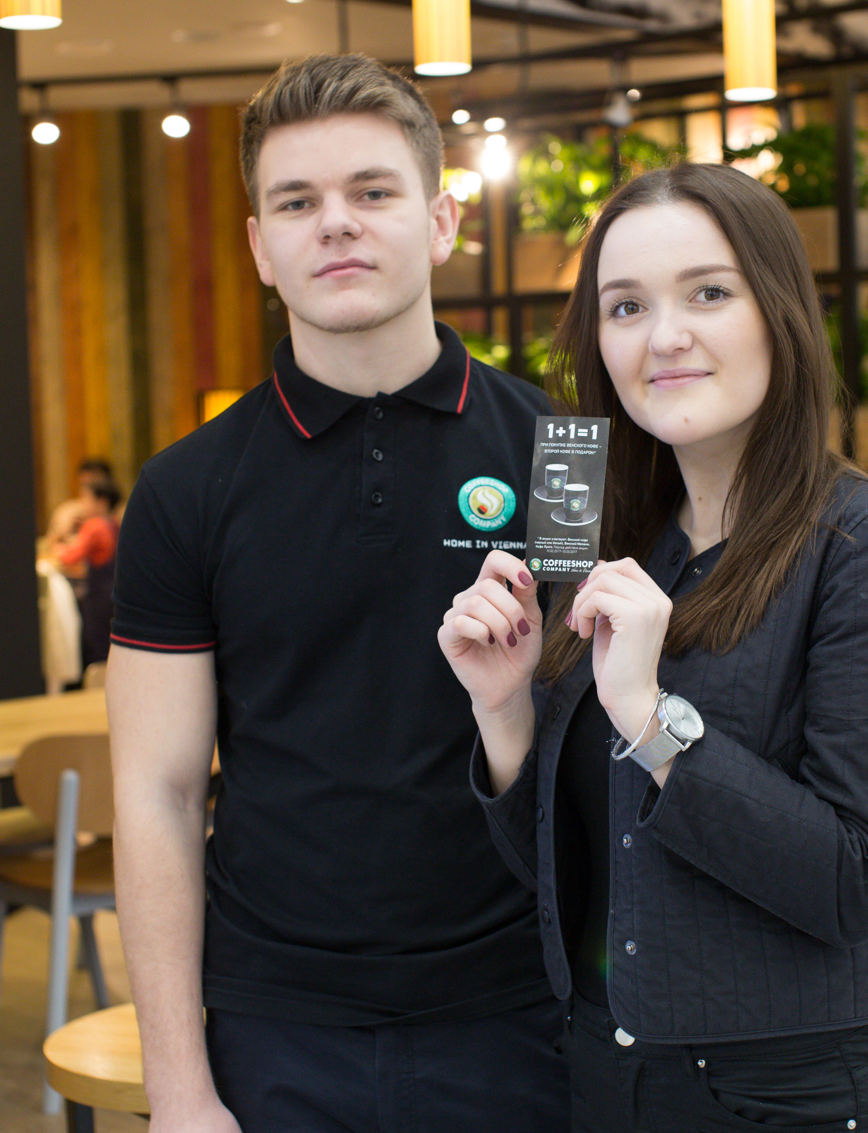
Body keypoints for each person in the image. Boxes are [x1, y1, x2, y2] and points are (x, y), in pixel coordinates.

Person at [438, 162, 868, 1133]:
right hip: (605, 1070)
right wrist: (503, 706)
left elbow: (858, 882)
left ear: (779, 312)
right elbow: (572, 870)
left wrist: (650, 719)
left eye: (708, 293)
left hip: (785, 1096)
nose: (664, 336)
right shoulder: (622, 549)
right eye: (626, 306)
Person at [106, 54, 568, 1133]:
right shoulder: (185, 489)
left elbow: (586, 757)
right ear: (260, 247)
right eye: (296, 202)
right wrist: (178, 1088)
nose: (336, 224)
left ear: (441, 221)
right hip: (274, 1024)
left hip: (519, 1013)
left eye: (371, 191)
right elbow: (156, 796)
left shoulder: (557, 452)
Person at [45, 477, 121, 671]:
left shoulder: (94, 525)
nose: (82, 504)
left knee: (96, 643)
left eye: (86, 498)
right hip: (113, 589)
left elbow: (69, 557)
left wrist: (57, 536)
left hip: (98, 594)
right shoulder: (114, 523)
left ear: (101, 502)